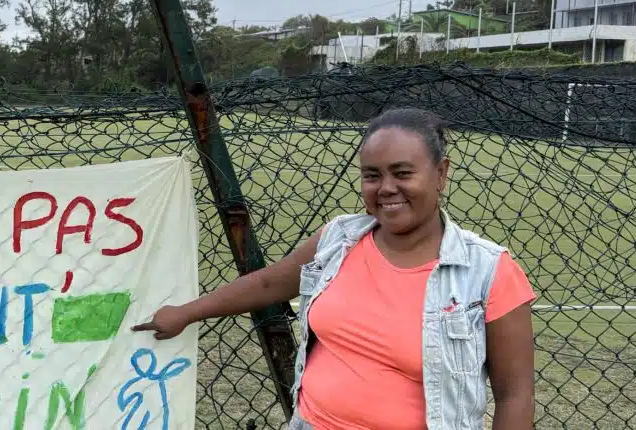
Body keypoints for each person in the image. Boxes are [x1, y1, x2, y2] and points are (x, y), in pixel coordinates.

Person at [133, 107, 537, 430]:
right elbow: (270, 282)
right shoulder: (339, 240)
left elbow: (515, 396)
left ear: (441, 173)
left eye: (402, 173)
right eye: (372, 176)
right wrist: (186, 313)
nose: (386, 188)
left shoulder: (487, 272)